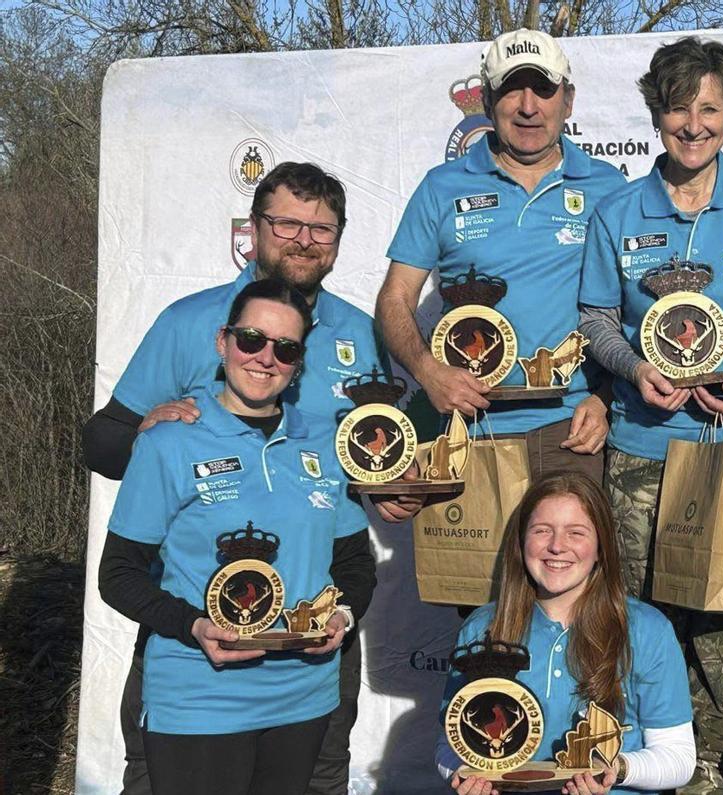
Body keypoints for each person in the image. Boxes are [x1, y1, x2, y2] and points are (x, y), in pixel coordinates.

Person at [83, 162, 416, 795]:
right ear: (255, 229)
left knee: (321, 770)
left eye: (322, 228)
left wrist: (387, 487)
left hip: (313, 621)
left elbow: (367, 458)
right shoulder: (191, 320)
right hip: (201, 622)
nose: (303, 239)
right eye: (287, 222)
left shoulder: (361, 334)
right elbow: (102, 441)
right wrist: (152, 433)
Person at [578, 37, 723, 793]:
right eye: (679, 106)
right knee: (647, 623)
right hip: (648, 448)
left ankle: (717, 776)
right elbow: (596, 319)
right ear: (656, 113)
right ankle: (648, 771)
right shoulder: (617, 211)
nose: (694, 122)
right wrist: (631, 367)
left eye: (710, 106)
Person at [98, 278, 377, 794]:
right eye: (252, 339)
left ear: (299, 362)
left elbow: (356, 563)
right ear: (223, 341)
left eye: (285, 348)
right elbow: (117, 575)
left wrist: (342, 614)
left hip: (303, 694)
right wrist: (192, 626)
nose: (265, 358)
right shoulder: (169, 441)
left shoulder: (325, 442)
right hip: (200, 695)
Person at [377, 28, 627, 482]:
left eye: (544, 90)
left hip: (572, 428)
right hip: (469, 429)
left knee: (563, 557)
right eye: (512, 88)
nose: (528, 106)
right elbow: (394, 298)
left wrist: (606, 398)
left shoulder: (609, 187)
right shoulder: (441, 186)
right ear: (489, 102)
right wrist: (429, 373)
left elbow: (632, 309)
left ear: (568, 101)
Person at [437, 473, 695, 795]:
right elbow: (449, 746)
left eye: (576, 533)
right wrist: (463, 776)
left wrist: (616, 769)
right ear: (521, 542)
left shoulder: (648, 629)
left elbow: (678, 758)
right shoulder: (482, 626)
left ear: (601, 547)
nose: (557, 546)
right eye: (542, 531)